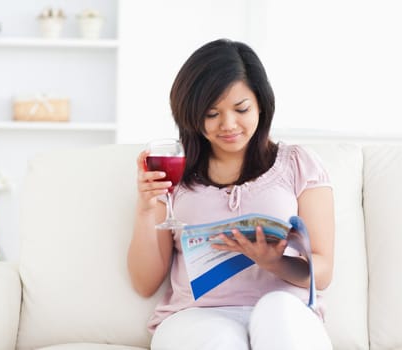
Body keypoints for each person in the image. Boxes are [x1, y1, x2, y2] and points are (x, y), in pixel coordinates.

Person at [128, 38, 335, 350]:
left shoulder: (299, 164)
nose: (228, 125)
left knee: (276, 311)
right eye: (211, 114)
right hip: (196, 318)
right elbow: (145, 284)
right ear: (191, 115)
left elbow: (324, 270)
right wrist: (146, 209)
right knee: (218, 339)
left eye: (241, 109)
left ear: (261, 104)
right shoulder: (173, 173)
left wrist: (275, 262)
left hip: (283, 311)